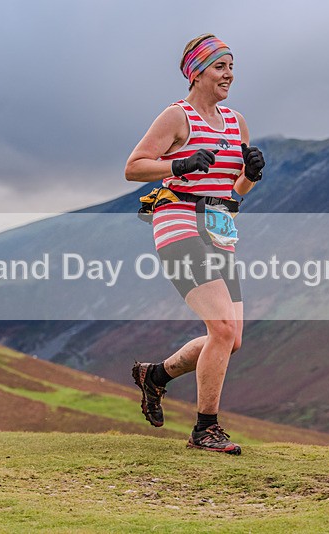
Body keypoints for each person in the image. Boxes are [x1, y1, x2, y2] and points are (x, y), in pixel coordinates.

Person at [124, 34, 265, 455]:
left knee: (231, 339)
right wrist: (177, 163)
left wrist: (252, 176)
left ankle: (157, 376)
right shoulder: (176, 116)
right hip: (178, 224)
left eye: (232, 67)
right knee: (221, 328)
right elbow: (133, 168)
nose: (229, 75)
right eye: (221, 67)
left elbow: (233, 191)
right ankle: (206, 429)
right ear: (197, 71)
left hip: (220, 229)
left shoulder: (236, 121)